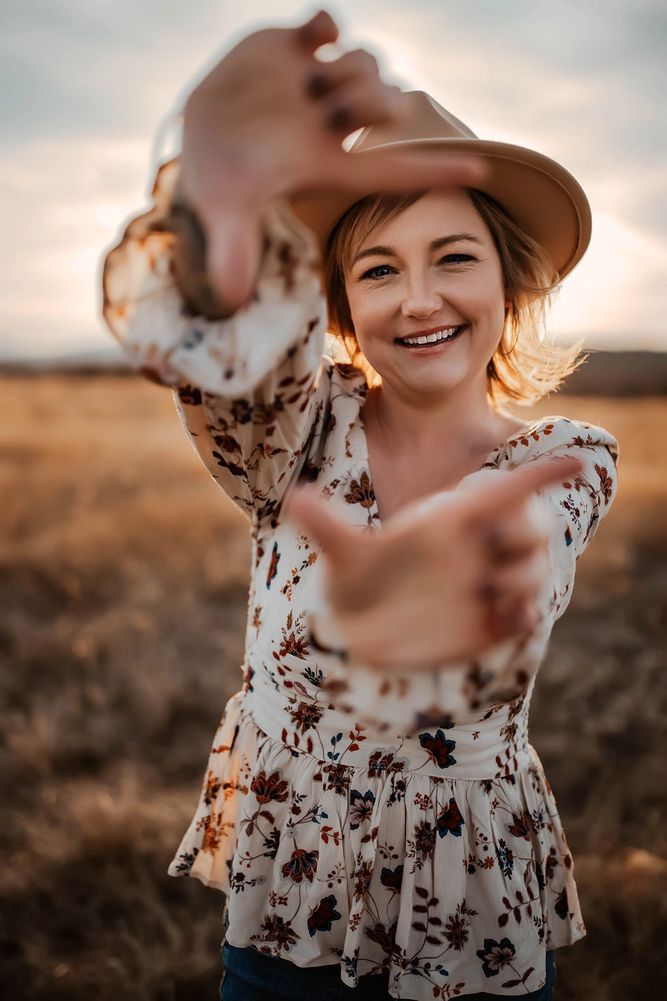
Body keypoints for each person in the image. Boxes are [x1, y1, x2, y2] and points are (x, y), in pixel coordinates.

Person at [101, 11, 618, 1000]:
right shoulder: (294, 428)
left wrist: (453, 605)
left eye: (453, 256)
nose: (418, 298)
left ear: (508, 281)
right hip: (285, 912)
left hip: (465, 917)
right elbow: (222, 355)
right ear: (340, 303)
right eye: (379, 268)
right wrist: (212, 209)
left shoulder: (562, 458)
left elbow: (527, 544)